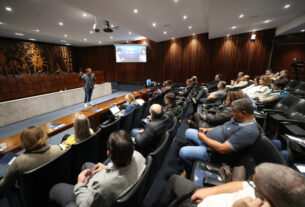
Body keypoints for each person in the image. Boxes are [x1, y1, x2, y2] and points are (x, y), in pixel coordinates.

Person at [49, 130, 146, 207]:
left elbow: (83, 205)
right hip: (122, 186)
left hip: (93, 195)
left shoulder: (102, 186)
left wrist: (80, 184)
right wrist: (107, 167)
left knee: (56, 189)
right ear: (132, 148)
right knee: (86, 164)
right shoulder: (139, 156)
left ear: (108, 154)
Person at [154, 162, 305, 207]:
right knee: (174, 180)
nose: (253, 186)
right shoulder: (262, 190)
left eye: (256, 187)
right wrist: (210, 192)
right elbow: (242, 185)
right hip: (208, 196)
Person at [179, 98, 259, 166]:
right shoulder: (239, 118)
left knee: (183, 152)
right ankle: (195, 156)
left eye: (234, 111)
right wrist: (208, 130)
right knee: (188, 132)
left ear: (244, 113)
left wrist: (204, 139)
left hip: (214, 152)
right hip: (208, 140)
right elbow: (224, 126)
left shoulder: (248, 132)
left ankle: (188, 171)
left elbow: (222, 149)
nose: (231, 113)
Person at [0, 126, 62, 197]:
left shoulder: (19, 162)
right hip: (54, 185)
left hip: (32, 194)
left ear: (23, 141)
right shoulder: (57, 149)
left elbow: (5, 183)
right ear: (44, 136)